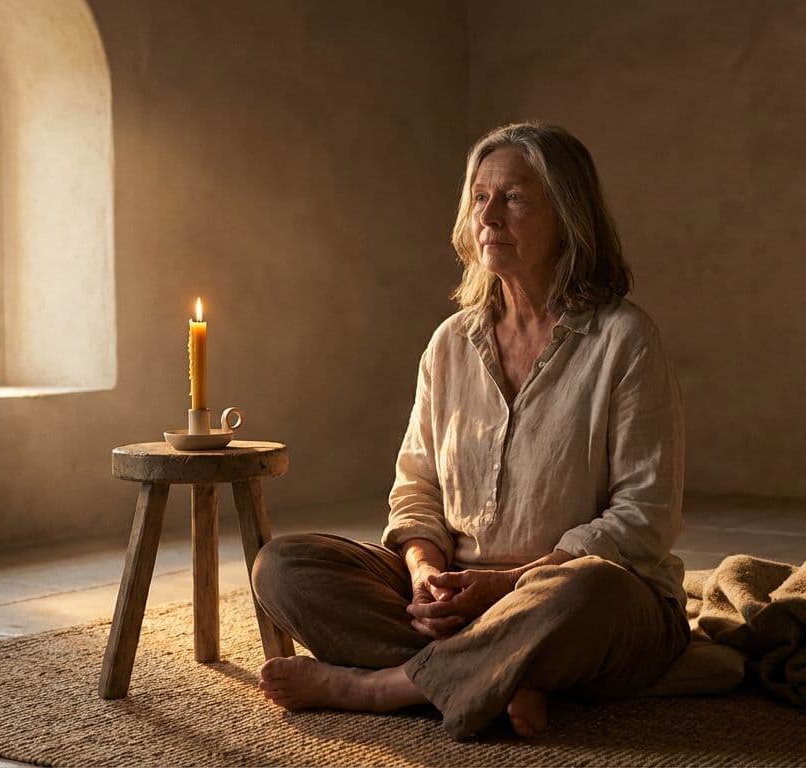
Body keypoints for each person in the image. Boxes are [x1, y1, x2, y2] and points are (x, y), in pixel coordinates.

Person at [251, 121, 687, 740]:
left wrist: (506, 587)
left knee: (587, 591)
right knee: (282, 566)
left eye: (514, 198)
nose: (489, 216)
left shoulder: (625, 339)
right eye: (479, 198)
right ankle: (500, 671)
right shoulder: (451, 342)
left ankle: (384, 687)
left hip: (571, 596)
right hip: (457, 596)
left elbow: (643, 517)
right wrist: (426, 570)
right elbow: (417, 486)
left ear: (568, 216)